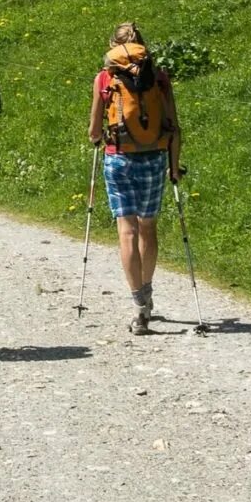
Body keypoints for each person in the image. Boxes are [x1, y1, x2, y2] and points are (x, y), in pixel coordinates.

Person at [88, 22, 181, 334]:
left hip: (118, 159)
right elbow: (174, 126)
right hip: (154, 157)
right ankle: (149, 292)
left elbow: (93, 132)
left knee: (126, 232)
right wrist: (174, 165)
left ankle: (138, 306)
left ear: (113, 47)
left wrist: (96, 137)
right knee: (148, 228)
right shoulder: (159, 77)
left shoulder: (105, 77)